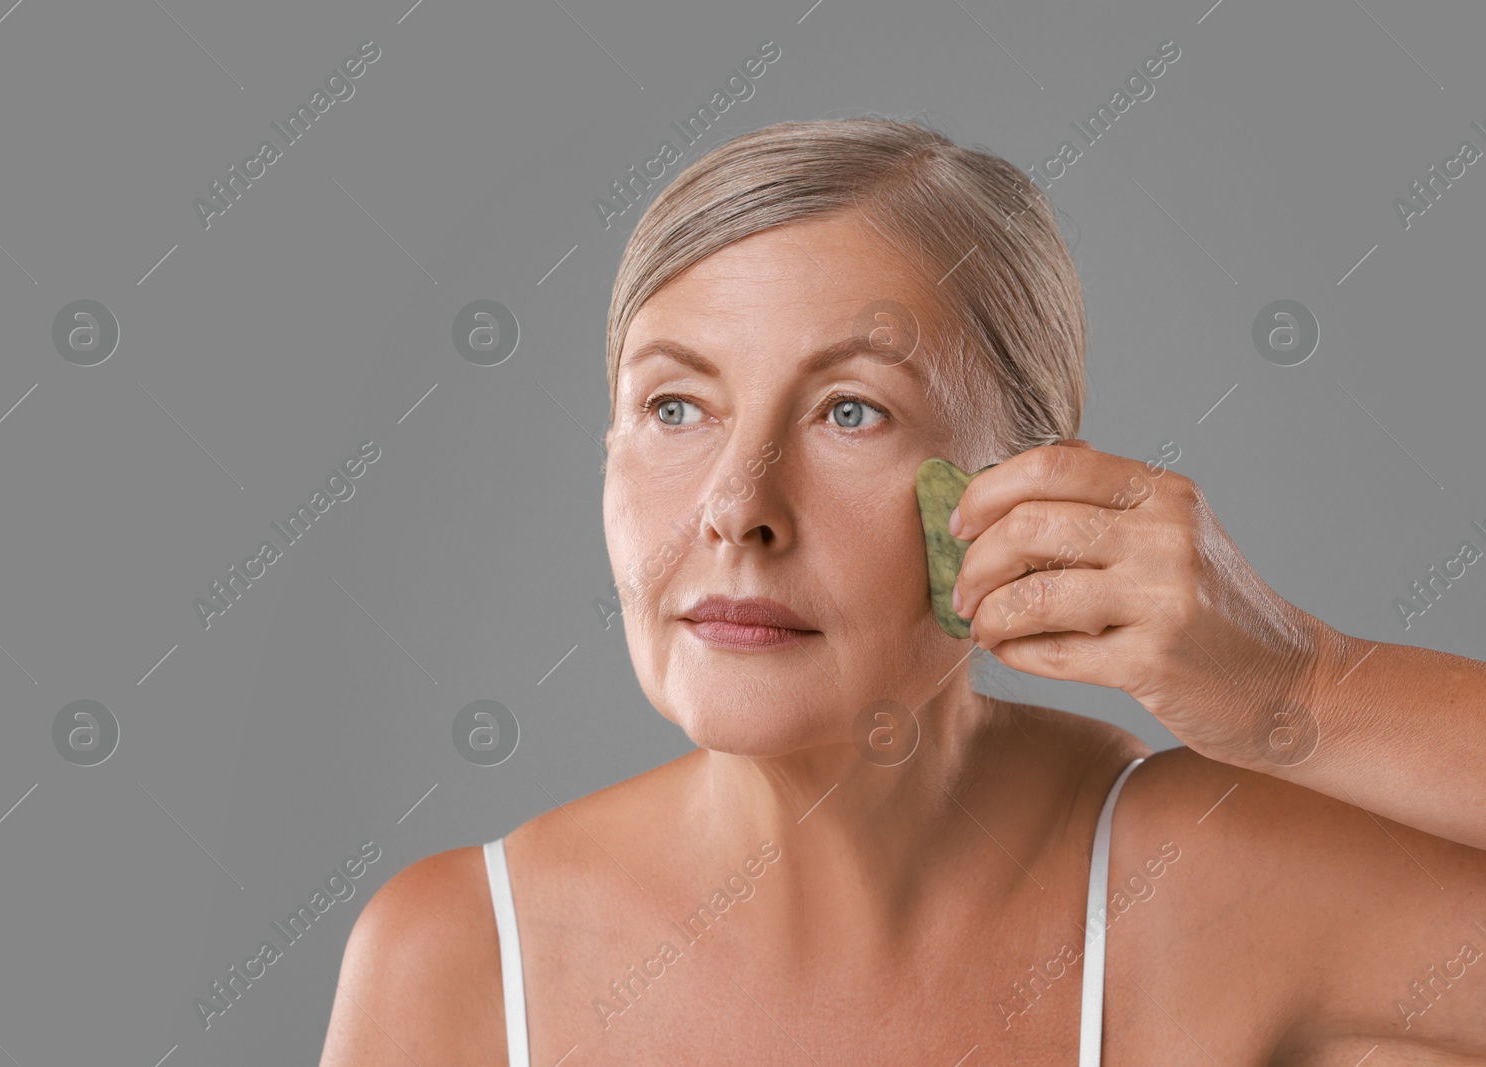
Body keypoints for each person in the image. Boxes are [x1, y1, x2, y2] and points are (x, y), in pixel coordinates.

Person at [318, 116, 1486, 1065]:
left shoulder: (1210, 888)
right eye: (676, 406)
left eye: (849, 411)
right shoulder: (461, 955)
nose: (737, 504)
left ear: (1033, 482)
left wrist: (1303, 685)